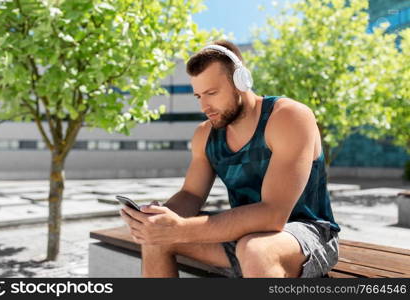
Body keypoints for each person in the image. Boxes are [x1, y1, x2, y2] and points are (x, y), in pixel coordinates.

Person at [119, 40, 341, 278]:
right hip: (246, 235)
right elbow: (191, 195)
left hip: (310, 234)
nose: (204, 105)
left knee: (255, 250)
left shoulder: (287, 117)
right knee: (156, 240)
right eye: (198, 96)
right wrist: (158, 219)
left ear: (241, 81)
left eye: (212, 93)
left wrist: (182, 229)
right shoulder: (206, 134)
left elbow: (273, 215)